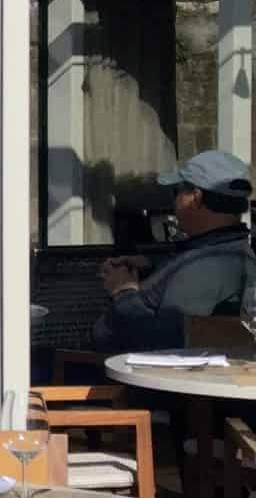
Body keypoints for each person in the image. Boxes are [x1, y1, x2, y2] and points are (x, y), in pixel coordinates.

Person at [92, 150, 253, 354]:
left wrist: (122, 290)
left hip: (120, 375)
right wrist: (153, 266)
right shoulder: (229, 253)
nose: (173, 202)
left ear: (194, 199)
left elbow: (160, 342)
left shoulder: (205, 267)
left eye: (176, 192)